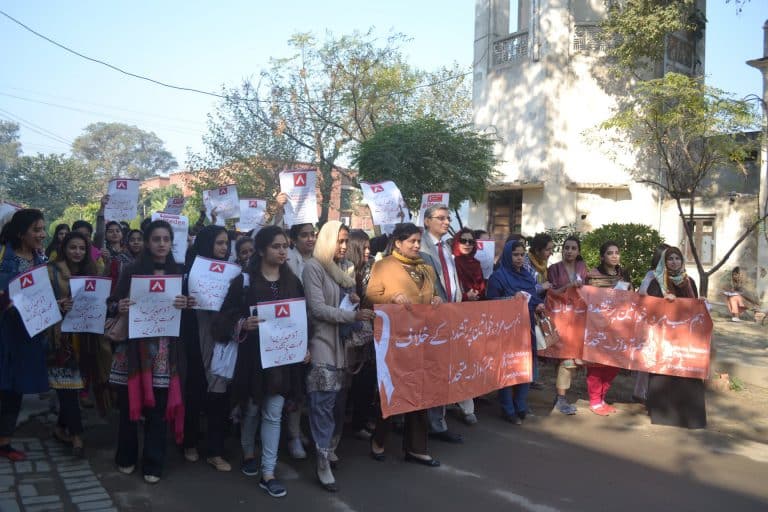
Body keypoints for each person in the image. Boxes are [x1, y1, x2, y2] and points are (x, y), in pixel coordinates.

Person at [213, 225, 307, 498]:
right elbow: (223, 318)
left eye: (285, 246)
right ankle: (248, 453)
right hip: (252, 362)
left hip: (282, 363)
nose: (282, 251)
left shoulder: (293, 282)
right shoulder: (243, 282)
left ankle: (268, 472)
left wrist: (304, 346)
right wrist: (243, 323)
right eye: (277, 246)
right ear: (262, 249)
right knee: (252, 410)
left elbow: (302, 319)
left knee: (273, 413)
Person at [108, 220, 195, 484]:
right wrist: (119, 306)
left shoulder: (179, 273)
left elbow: (189, 311)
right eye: (156, 239)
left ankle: (153, 463)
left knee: (158, 412)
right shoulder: (131, 271)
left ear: (171, 243)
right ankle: (126, 456)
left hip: (164, 354)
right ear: (147, 242)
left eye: (166, 239)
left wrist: (186, 303)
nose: (161, 244)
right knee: (128, 409)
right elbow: (111, 303)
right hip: (133, 352)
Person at [303, 221, 375, 492]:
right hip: (321, 342)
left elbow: (341, 301)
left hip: (344, 346)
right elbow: (318, 309)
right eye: (339, 241)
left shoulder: (345, 269)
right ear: (326, 240)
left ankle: (330, 447)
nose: (343, 247)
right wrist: (351, 314)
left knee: (338, 403)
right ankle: (321, 460)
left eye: (346, 241)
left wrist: (353, 299)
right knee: (322, 403)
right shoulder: (313, 267)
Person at [367, 222, 442, 466]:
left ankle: (416, 448)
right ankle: (379, 439)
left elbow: (429, 296)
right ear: (398, 243)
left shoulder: (426, 268)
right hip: (395, 342)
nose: (417, 245)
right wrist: (391, 297)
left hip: (422, 339)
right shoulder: (383, 266)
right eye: (412, 241)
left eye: (419, 241)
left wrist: (436, 299)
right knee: (392, 391)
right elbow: (370, 297)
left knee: (421, 391)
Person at [181, 225, 233, 471]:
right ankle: (189, 442)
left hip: (223, 340)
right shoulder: (189, 272)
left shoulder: (234, 274)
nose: (223, 248)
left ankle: (215, 450)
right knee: (195, 391)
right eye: (219, 243)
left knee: (219, 395)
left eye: (226, 243)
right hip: (196, 337)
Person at [0, 209, 49, 461]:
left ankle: (5, 442)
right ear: (21, 233)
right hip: (3, 334)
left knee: (14, 389)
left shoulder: (41, 260)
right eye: (37, 230)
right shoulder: (2, 257)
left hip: (27, 336)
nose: (42, 234)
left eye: (43, 229)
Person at [47, 231, 99, 457]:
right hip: (60, 340)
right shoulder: (51, 272)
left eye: (82, 248)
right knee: (68, 390)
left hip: (85, 338)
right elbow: (39, 304)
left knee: (73, 388)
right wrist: (58, 305)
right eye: (72, 247)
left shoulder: (92, 272)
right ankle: (77, 437)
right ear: (63, 249)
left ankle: (60, 428)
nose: (77, 252)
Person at [645, 247, 707, 429]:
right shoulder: (657, 282)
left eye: (677, 258)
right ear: (664, 262)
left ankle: (687, 415)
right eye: (670, 259)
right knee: (664, 373)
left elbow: (694, 304)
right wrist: (663, 300)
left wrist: (700, 302)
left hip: (686, 338)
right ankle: (664, 414)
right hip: (664, 337)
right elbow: (649, 305)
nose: (674, 262)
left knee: (687, 374)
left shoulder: (689, 281)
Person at [419, 204, 465, 441]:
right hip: (430, 320)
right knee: (430, 372)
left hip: (450, 318)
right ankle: (430, 424)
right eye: (441, 218)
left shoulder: (446, 247)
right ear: (427, 221)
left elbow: (452, 281)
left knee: (443, 372)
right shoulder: (420, 247)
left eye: (448, 218)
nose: (447, 222)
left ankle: (437, 421)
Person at [487, 240, 543, 425]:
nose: (519, 258)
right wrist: (512, 299)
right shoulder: (498, 277)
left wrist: (539, 304)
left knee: (524, 366)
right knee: (508, 368)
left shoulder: (527, 276)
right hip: (507, 331)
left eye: (522, 255)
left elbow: (533, 298)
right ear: (507, 255)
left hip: (527, 330)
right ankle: (507, 408)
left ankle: (520, 405)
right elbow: (490, 303)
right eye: (515, 254)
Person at [584, 241, 632, 416]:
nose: (614, 255)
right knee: (597, 365)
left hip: (618, 327)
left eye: (616, 252)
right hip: (598, 327)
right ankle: (595, 401)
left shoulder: (624, 274)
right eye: (610, 253)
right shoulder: (593, 276)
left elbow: (631, 296)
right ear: (602, 256)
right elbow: (588, 299)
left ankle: (603, 398)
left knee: (613, 365)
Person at [282, 222, 316, 459]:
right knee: (292, 385)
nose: (310, 239)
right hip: (291, 328)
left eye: (313, 234)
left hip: (316, 328)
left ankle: (298, 430)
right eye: (305, 235)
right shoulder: (287, 261)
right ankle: (292, 435)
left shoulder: (320, 261)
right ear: (294, 239)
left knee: (306, 387)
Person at [546, 236, 586, 415]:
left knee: (571, 361)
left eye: (573, 248)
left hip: (577, 321)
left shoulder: (582, 268)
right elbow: (551, 292)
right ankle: (561, 399)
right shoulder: (554, 269)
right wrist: (569, 286)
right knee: (566, 360)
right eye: (566, 248)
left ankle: (559, 396)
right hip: (559, 318)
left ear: (578, 251)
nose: (569, 251)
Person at [450, 227, 486, 425]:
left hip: (472, 318)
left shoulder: (477, 264)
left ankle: (467, 406)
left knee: (469, 360)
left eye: (471, 241)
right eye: (463, 240)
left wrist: (476, 294)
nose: (467, 244)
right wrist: (464, 296)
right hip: (453, 316)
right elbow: (449, 288)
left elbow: (481, 287)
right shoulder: (450, 262)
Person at [345, 230, 377, 440]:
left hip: (370, 332)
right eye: (363, 248)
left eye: (369, 248)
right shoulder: (345, 271)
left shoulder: (374, 268)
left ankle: (361, 419)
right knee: (349, 381)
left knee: (366, 379)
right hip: (350, 333)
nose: (368, 251)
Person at [524, 233, 554, 389]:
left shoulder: (542, 264)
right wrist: (542, 287)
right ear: (537, 249)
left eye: (551, 249)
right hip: (527, 308)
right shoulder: (526, 262)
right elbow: (525, 286)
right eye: (548, 249)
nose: (550, 253)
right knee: (528, 345)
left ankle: (533, 378)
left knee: (534, 345)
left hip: (538, 308)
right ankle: (526, 378)